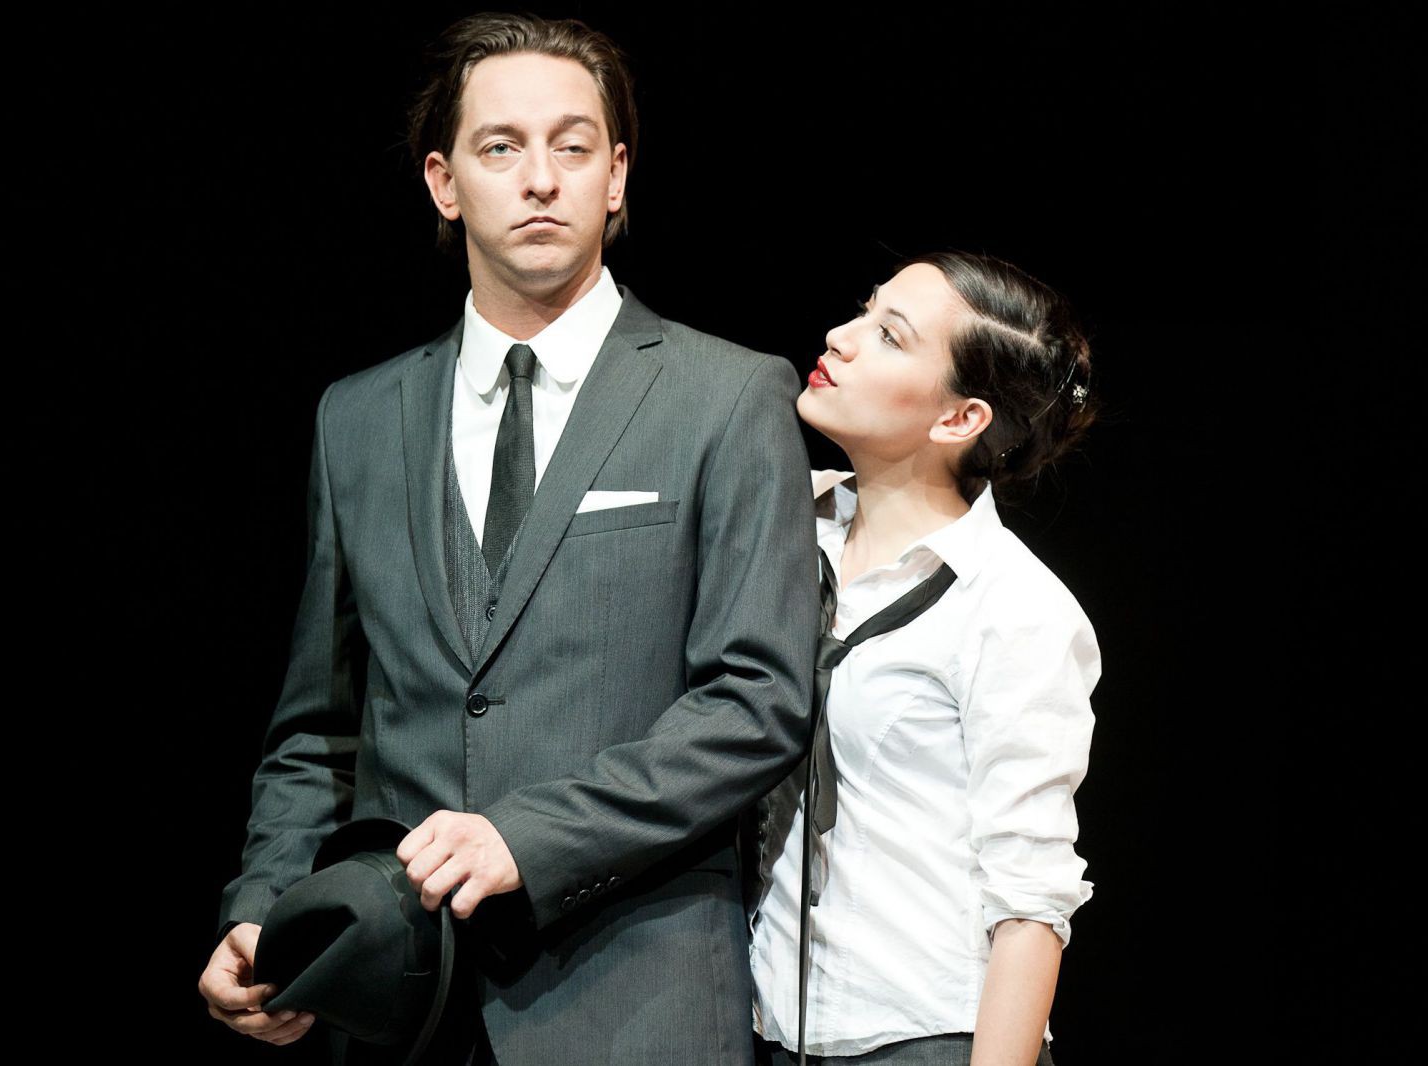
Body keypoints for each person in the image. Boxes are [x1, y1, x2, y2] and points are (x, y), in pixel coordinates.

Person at [195, 12, 820, 1065]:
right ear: (444, 184)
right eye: (501, 147)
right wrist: (263, 907)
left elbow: (755, 702)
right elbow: (321, 728)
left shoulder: (727, 395)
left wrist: (524, 839)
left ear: (616, 176)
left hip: (634, 1000)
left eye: (573, 147)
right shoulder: (359, 416)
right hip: (400, 1012)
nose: (540, 179)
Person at [744, 250, 1102, 1066]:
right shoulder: (787, 522)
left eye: (890, 335)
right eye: (864, 309)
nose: (841, 337)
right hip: (767, 1031)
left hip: (923, 1038)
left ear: (959, 419)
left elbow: (1031, 899)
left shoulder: (1014, 606)